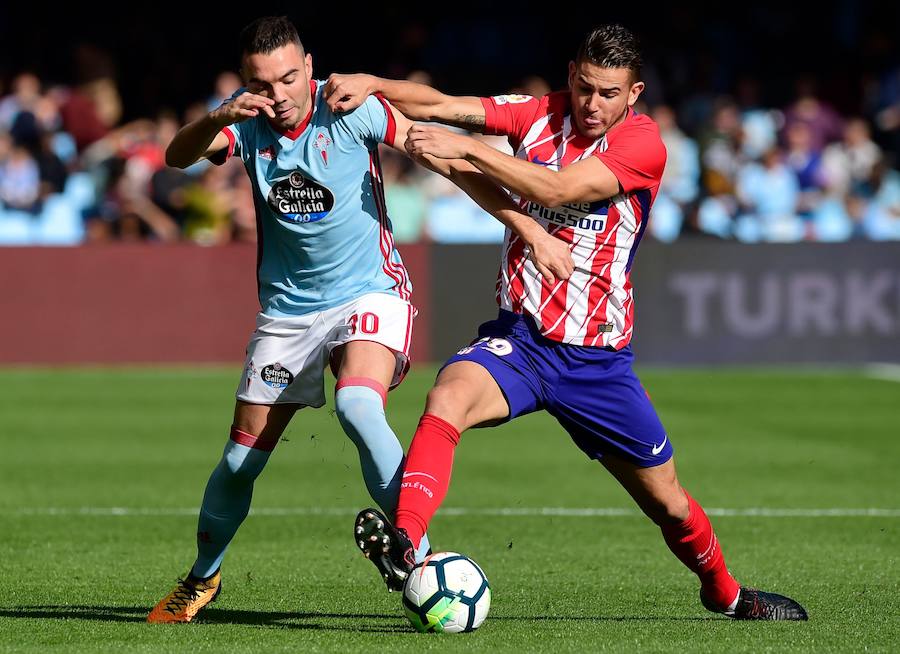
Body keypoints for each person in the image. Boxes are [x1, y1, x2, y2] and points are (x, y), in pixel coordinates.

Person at [325, 24, 808, 621]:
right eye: (583, 87)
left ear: (633, 94)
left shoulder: (642, 145)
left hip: (597, 363)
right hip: (521, 342)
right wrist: (374, 83)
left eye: (608, 92)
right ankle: (406, 543)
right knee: (446, 398)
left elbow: (557, 188)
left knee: (670, 505)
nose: (592, 104)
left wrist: (468, 149)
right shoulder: (538, 114)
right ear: (571, 75)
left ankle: (726, 593)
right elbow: (445, 104)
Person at [147, 16, 572, 623]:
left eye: (289, 78)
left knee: (357, 406)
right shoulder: (244, 126)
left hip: (370, 292)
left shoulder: (351, 108)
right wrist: (219, 115)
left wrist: (528, 227)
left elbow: (447, 164)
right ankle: (202, 579)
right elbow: (176, 156)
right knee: (240, 462)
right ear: (248, 84)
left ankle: (414, 557)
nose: (279, 95)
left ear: (310, 67)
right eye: (263, 84)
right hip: (288, 313)